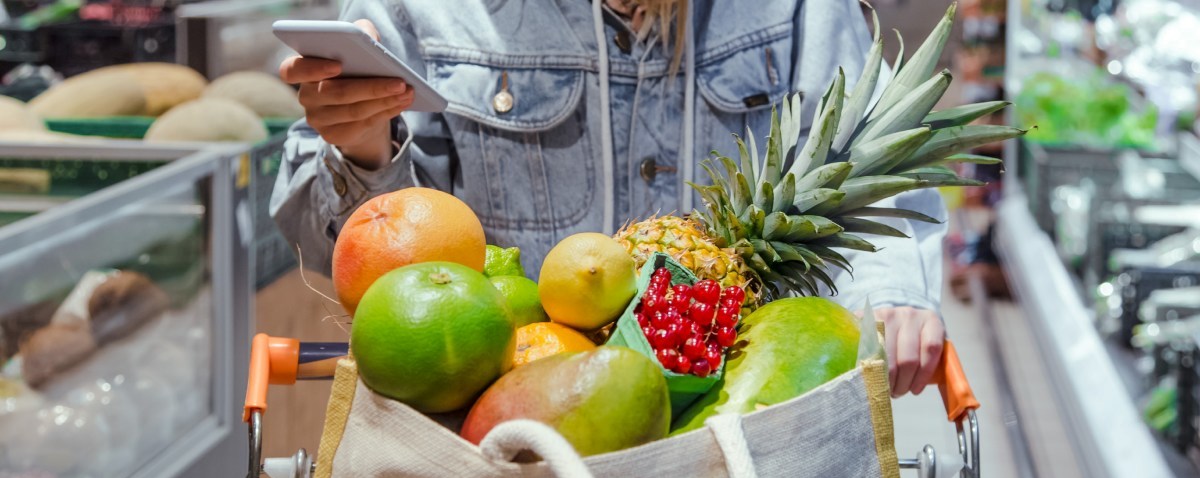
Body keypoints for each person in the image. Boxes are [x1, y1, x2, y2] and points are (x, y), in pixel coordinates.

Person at [271, 0, 947, 397]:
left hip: (749, 418)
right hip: (505, 442)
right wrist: (363, 149)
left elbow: (866, 157)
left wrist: (892, 293)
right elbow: (381, 265)